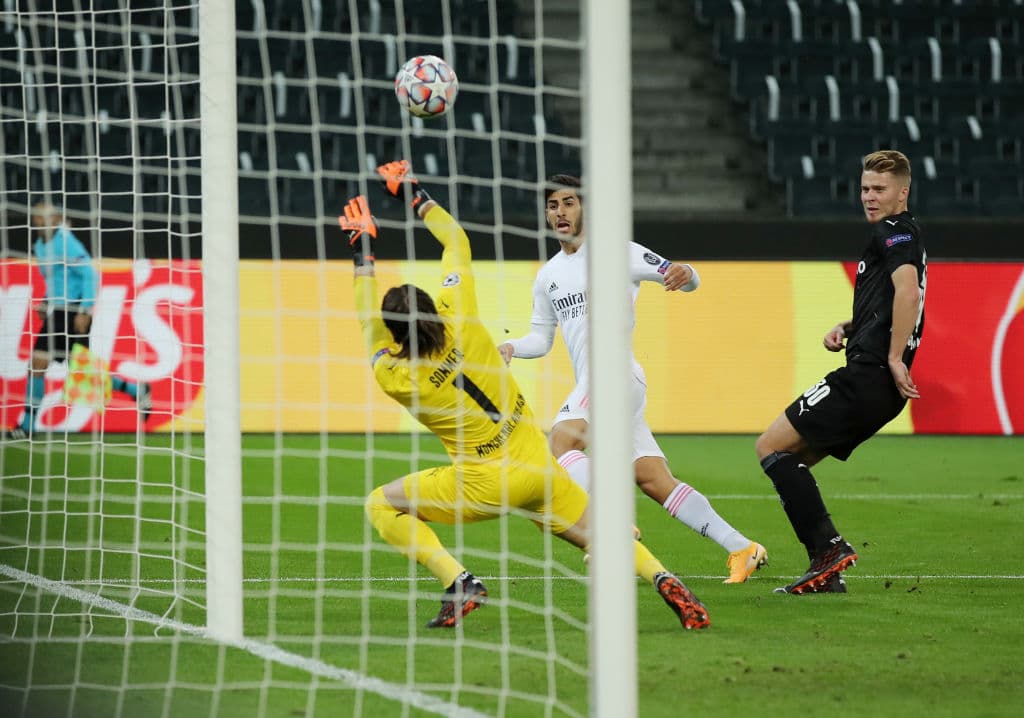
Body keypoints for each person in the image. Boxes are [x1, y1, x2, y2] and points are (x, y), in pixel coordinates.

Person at [347, 160, 709, 630]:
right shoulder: (462, 318)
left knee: (380, 502)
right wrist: (414, 193)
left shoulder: (396, 375)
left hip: (482, 482)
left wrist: (362, 251)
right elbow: (456, 240)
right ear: (435, 310)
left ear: (395, 336)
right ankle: (666, 580)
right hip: (539, 467)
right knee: (596, 537)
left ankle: (458, 581)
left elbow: (366, 323)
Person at [497, 175, 767, 584]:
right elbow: (541, 338)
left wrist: (685, 272)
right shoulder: (548, 276)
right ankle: (742, 548)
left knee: (560, 440)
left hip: (614, 374)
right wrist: (513, 348)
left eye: (569, 203)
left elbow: (683, 276)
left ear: (585, 207)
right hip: (607, 385)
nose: (560, 212)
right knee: (654, 480)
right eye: (553, 206)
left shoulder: (618, 252)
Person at [755, 150, 926, 595]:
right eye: (865, 188)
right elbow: (894, 299)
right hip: (878, 388)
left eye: (879, 189)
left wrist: (891, 357)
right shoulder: (904, 235)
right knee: (790, 463)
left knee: (770, 446)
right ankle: (828, 569)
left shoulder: (894, 232)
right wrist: (849, 326)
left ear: (902, 192)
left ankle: (828, 551)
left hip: (868, 376)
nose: (869, 197)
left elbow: (908, 294)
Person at [4, 202, 151, 440]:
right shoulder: (41, 246)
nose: (40, 221)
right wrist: (45, 301)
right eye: (37, 217)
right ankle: (136, 389)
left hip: (73, 312)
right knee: (80, 372)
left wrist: (85, 310)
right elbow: (59, 279)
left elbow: (90, 274)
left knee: (40, 365)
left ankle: (28, 427)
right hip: (59, 311)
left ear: (57, 218)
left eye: (45, 217)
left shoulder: (66, 242)